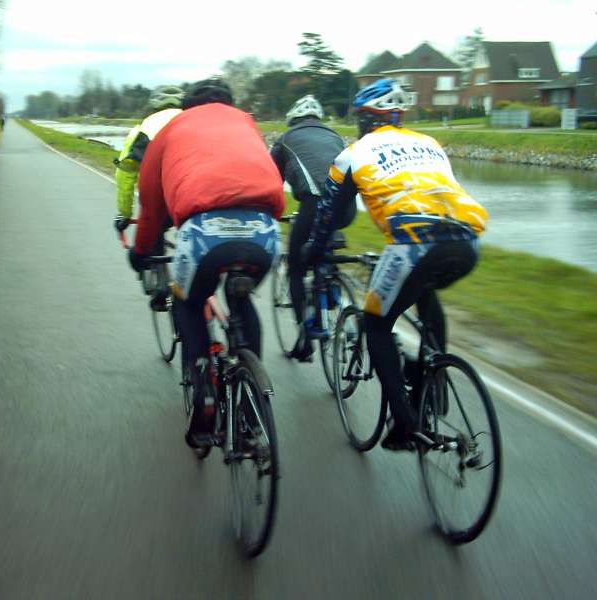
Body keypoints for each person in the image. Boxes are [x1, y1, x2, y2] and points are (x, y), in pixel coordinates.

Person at [302, 78, 488, 451]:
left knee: (376, 324)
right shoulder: (429, 143)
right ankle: (429, 387)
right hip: (467, 241)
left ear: (367, 119)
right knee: (425, 291)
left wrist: (312, 252)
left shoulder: (355, 152)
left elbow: (329, 215)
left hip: (412, 244)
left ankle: (405, 425)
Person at [128, 78, 285, 447]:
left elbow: (151, 207)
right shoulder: (247, 124)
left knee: (189, 300)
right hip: (264, 231)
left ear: (188, 107)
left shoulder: (173, 128)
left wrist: (141, 253)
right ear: (230, 104)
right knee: (241, 299)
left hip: (204, 233)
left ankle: (205, 397)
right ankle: (251, 403)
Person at [270, 94, 347, 361]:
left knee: (296, 268)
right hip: (346, 208)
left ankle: (305, 340)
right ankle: (332, 284)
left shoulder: (285, 140)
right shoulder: (336, 135)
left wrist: (272, 214)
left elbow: (271, 183)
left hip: (313, 206)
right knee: (324, 244)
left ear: (294, 120)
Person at [113, 85, 184, 309]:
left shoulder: (144, 127)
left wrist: (124, 213)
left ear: (153, 105)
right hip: (201, 193)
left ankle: (162, 286)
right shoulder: (192, 119)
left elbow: (126, 172)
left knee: (153, 230)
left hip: (165, 198)